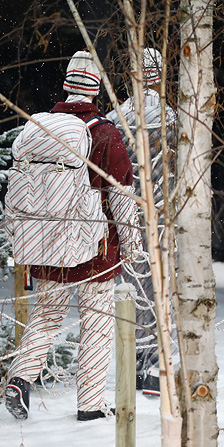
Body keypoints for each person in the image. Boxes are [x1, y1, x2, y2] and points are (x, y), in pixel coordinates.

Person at [5, 51, 142, 421]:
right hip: (94, 247)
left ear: (66, 87)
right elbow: (121, 194)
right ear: (95, 90)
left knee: (47, 315)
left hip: (45, 242)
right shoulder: (104, 133)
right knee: (97, 320)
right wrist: (131, 245)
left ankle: (20, 379)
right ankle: (90, 405)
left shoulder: (40, 128)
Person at [106, 47, 177, 396]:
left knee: (127, 290)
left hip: (125, 217)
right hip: (161, 216)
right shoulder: (172, 117)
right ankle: (152, 367)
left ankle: (130, 362)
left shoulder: (114, 117)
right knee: (159, 293)